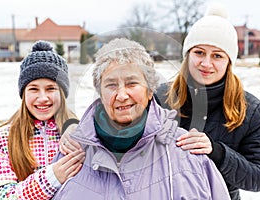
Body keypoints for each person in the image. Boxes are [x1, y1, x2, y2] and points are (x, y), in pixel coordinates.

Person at [52, 38, 230, 200]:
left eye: (132, 83)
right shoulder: (71, 150)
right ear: (100, 92)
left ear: (150, 90)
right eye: (111, 84)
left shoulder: (186, 153)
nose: (122, 95)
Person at [155, 4, 260, 200]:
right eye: (199, 52)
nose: (206, 63)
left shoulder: (250, 109)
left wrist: (218, 152)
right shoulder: (160, 97)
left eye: (217, 55)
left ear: (229, 61)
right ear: (187, 55)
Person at [0, 40, 85, 199]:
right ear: (23, 94)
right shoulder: (3, 139)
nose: (43, 98)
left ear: (63, 93)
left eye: (51, 88)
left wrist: (76, 126)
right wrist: (50, 179)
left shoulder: (79, 135)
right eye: (34, 89)